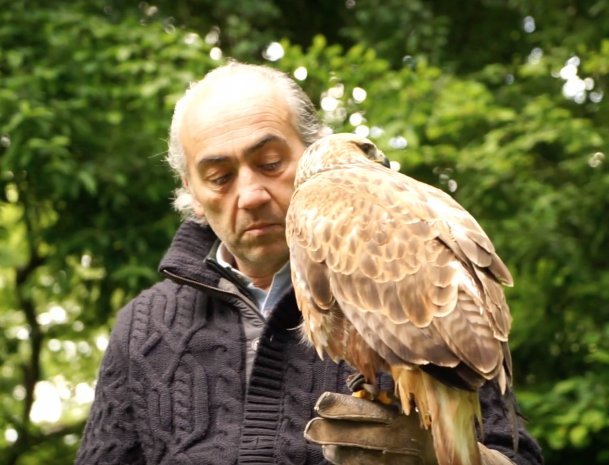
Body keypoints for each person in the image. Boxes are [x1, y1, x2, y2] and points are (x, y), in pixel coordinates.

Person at [75, 61, 544, 465]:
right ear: (192, 194)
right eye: (219, 177)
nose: (253, 195)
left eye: (272, 163)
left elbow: (513, 452)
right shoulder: (143, 329)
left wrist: (452, 458)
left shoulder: (406, 260)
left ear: (314, 155)